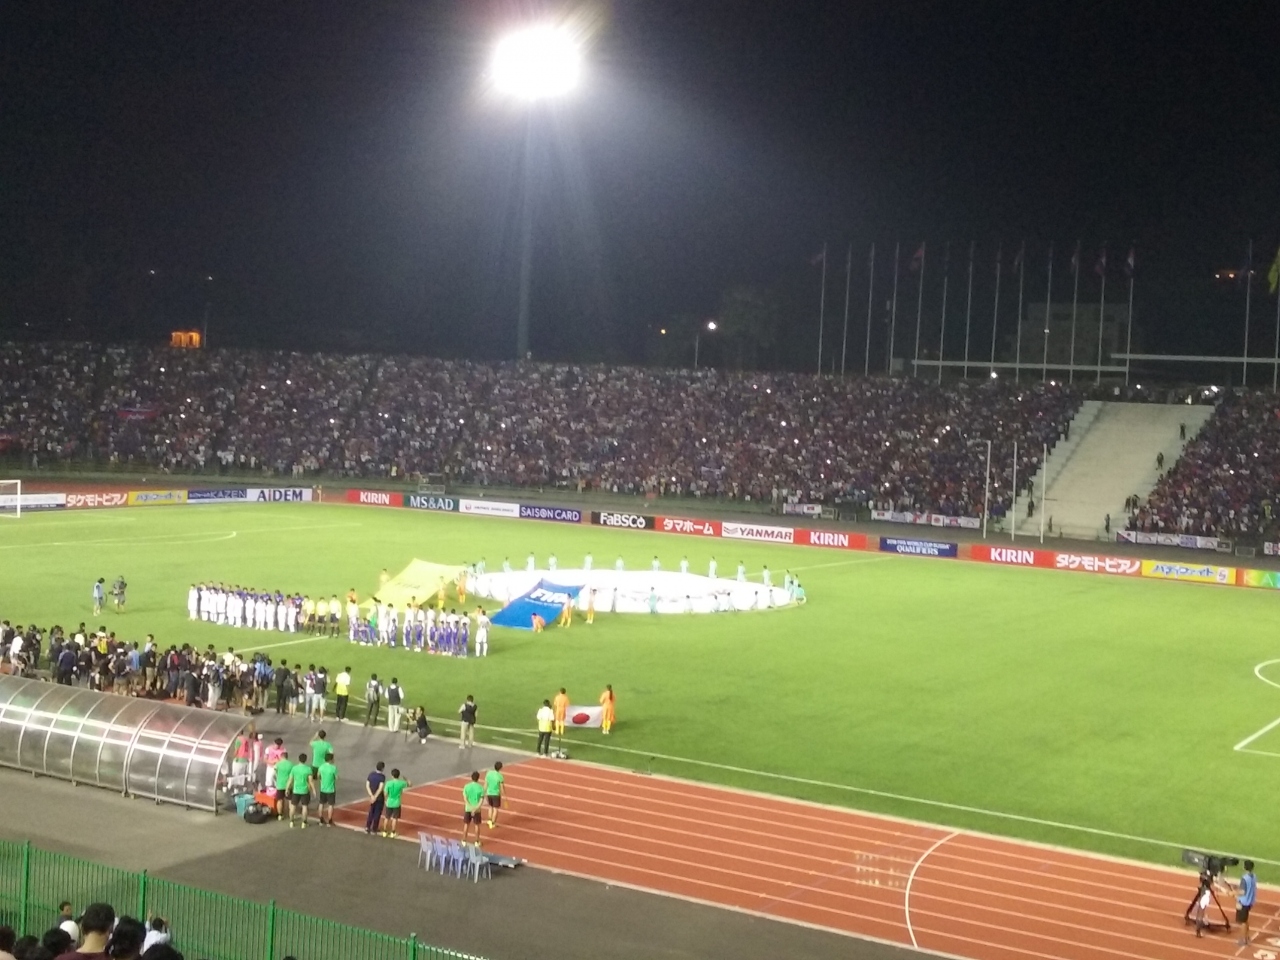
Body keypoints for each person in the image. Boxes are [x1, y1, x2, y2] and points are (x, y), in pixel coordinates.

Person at [287, 752, 314, 828]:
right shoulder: (308, 769)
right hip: (305, 790)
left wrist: (287, 788)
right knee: (304, 807)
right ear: (305, 760)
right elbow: (310, 781)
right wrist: (313, 790)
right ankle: (304, 822)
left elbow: (290, 780)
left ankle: (291, 821)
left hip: (296, 790)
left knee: (293, 806)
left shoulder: (294, 768)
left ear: (298, 759)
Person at [1235, 859, 1257, 946]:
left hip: (1243, 902)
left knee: (1242, 922)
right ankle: (1247, 937)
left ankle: (1243, 940)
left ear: (1245, 867)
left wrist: (1233, 892)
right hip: (1250, 901)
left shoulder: (1244, 878)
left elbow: (1242, 892)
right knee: (1246, 920)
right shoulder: (1254, 876)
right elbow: (1249, 887)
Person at [383, 768, 409, 838]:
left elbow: (385, 794)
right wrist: (406, 779)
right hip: (397, 803)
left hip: (389, 802)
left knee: (387, 817)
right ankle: (393, 833)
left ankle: (385, 832)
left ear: (392, 775)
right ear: (398, 775)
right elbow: (410, 784)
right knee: (394, 818)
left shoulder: (388, 783)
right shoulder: (401, 783)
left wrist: (385, 800)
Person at [461, 771, 485, 847]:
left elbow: (465, 799)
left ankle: (464, 840)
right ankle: (477, 841)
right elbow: (481, 801)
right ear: (478, 778)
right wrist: (475, 809)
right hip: (477, 810)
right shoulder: (481, 788)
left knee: (466, 825)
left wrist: (470, 807)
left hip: (468, 809)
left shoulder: (466, 786)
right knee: (477, 826)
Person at [316, 750, 338, 827]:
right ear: (331, 759)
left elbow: (318, 776)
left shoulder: (321, 767)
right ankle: (329, 820)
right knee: (330, 805)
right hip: (331, 789)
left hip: (323, 788)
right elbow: (337, 778)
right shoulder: (333, 768)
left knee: (321, 803)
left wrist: (322, 779)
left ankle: (321, 819)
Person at [365, 761, 386, 835]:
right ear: (382, 768)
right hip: (379, 798)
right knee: (377, 813)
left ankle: (367, 827)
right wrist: (375, 797)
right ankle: (374, 828)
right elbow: (380, 788)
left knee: (371, 811)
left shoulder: (371, 774)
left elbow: (367, 785)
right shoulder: (382, 777)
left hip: (372, 797)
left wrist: (371, 796)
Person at [484, 761, 507, 829]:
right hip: (496, 794)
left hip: (489, 793)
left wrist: (483, 792)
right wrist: (504, 795)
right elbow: (502, 787)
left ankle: (489, 820)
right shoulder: (500, 776)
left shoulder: (489, 773)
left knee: (490, 807)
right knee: (495, 809)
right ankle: (493, 823)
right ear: (500, 768)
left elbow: (485, 784)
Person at [272, 752, 293, 819]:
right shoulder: (291, 764)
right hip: (289, 785)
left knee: (280, 800)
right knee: (290, 801)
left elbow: (273, 774)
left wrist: (277, 779)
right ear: (287, 757)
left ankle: (280, 815)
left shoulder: (278, 764)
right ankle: (291, 815)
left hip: (280, 784)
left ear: (281, 757)